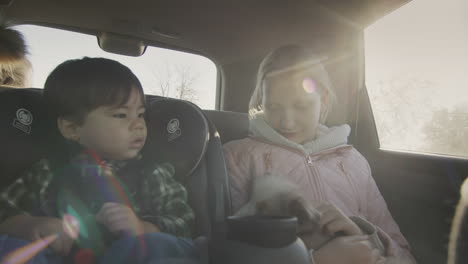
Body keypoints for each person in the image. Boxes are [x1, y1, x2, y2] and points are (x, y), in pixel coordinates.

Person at [223, 44, 416, 264]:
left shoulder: (353, 161)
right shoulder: (237, 156)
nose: (287, 121)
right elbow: (226, 250)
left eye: (301, 105)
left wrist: (362, 234)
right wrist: (313, 259)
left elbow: (403, 254)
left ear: (323, 99)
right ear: (261, 102)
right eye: (274, 106)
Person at [0, 57, 199, 264]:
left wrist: (141, 228)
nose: (139, 125)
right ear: (72, 128)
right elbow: (4, 210)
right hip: (63, 256)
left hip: (131, 255)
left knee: (165, 246)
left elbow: (183, 222)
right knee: (11, 246)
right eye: (121, 115)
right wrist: (31, 225)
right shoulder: (47, 170)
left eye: (140, 114)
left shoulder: (151, 172)